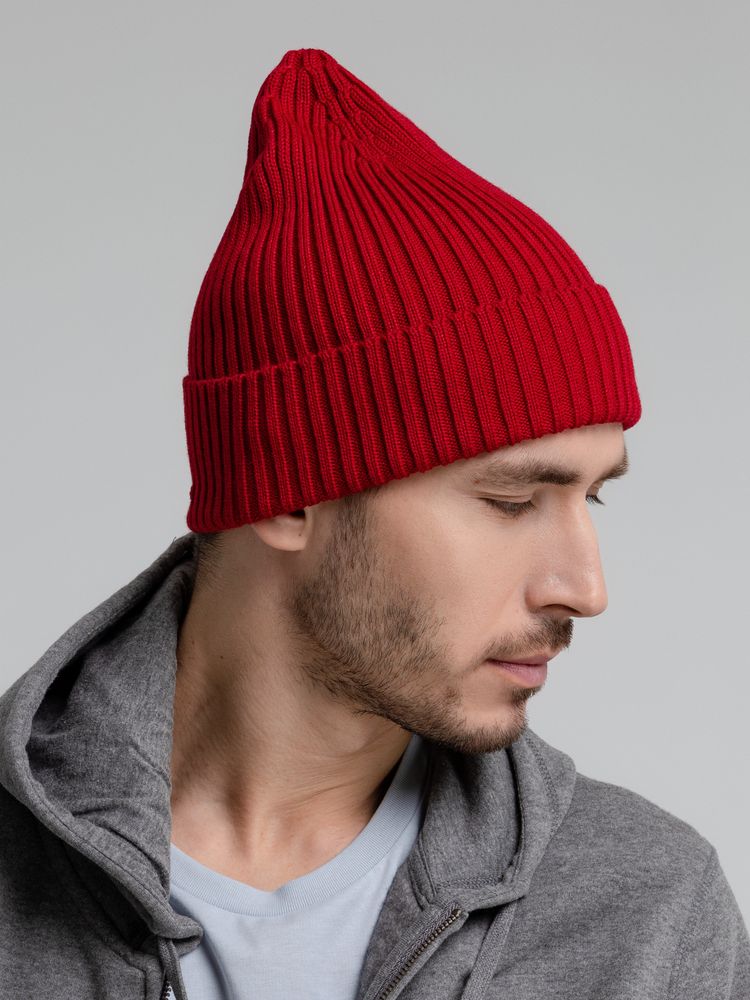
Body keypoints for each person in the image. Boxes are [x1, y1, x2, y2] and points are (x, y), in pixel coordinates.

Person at [0, 47, 747, 1000]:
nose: (586, 589)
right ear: (288, 491)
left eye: (591, 495)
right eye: (511, 501)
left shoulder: (645, 914)